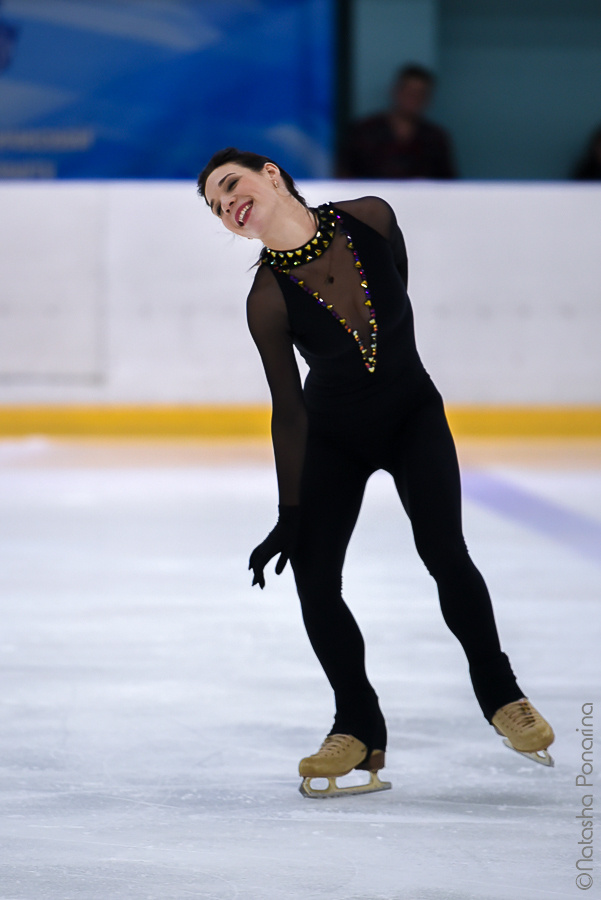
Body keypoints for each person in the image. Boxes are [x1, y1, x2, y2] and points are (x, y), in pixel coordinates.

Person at [198, 147, 554, 798]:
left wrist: (392, 372)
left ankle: (501, 695)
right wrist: (289, 513)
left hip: (411, 412)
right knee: (314, 575)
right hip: (332, 435)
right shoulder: (266, 297)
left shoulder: (372, 218)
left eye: (232, 186)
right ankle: (356, 723)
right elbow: (287, 412)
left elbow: (397, 291)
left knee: (444, 551)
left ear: (271, 175)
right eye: (217, 208)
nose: (228, 206)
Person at [340, 63, 457, 180]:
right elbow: (345, 175)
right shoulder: (364, 131)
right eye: (410, 93)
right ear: (396, 91)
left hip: (420, 197)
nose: (414, 99)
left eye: (420, 94)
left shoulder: (435, 137)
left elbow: (447, 182)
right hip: (371, 196)